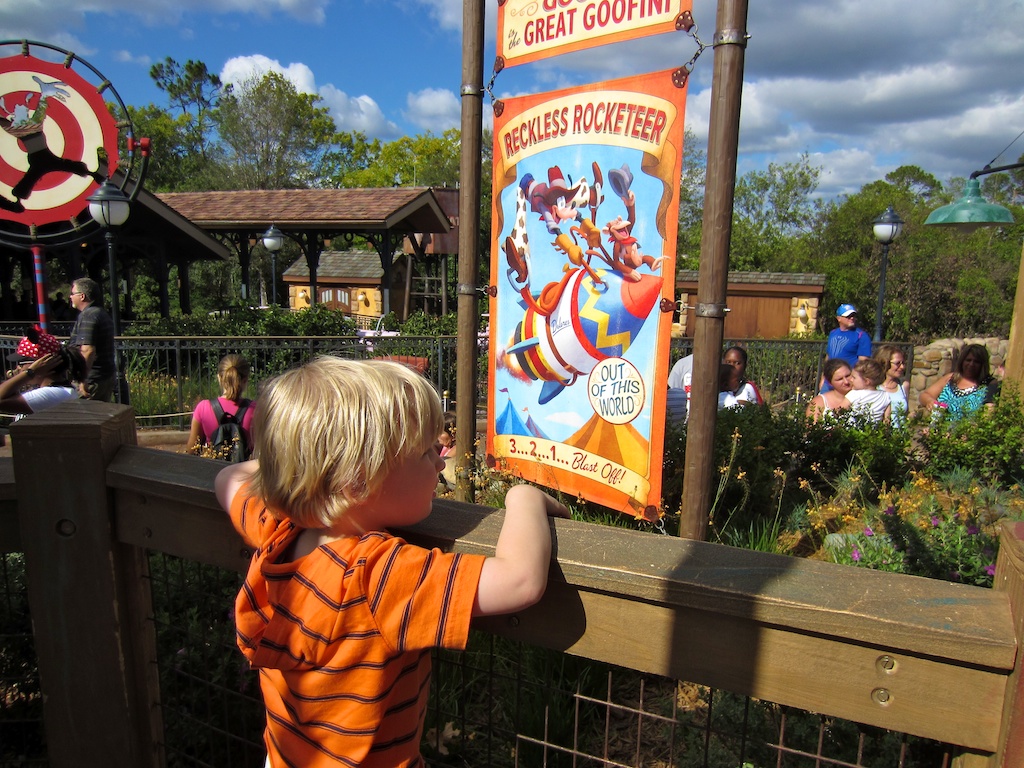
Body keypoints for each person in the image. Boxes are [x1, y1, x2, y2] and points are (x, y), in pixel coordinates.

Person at [214, 357, 568, 767]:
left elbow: (228, 479)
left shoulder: (278, 531)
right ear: (358, 481)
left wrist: (298, 459)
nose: (440, 461)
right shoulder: (375, 575)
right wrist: (523, 498)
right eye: (425, 452)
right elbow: (520, 580)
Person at [0, 327, 85, 417]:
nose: (18, 368)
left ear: (42, 363)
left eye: (21, 363)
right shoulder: (57, 391)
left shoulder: (53, 393)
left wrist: (30, 372)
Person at [187, 354, 255, 457]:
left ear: (219, 378)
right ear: (245, 380)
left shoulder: (203, 408)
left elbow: (192, 450)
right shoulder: (255, 409)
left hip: (213, 465)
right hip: (244, 466)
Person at [919, 343, 999, 423]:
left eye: (976, 362)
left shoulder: (989, 384)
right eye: (968, 360)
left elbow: (988, 414)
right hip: (938, 428)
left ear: (983, 364)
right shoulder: (951, 378)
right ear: (962, 361)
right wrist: (930, 401)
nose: (971, 364)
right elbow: (925, 395)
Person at [67, 277, 116, 401]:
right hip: (104, 376)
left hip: (92, 380)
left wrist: (82, 378)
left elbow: (88, 350)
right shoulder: (101, 313)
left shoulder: (88, 315)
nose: (70, 297)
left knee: (83, 413)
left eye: (73, 293)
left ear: (82, 296)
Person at [820, 304, 872, 392]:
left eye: (853, 316)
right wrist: (823, 378)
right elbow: (828, 357)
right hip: (829, 381)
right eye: (848, 316)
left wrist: (856, 382)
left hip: (847, 382)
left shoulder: (861, 336)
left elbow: (863, 363)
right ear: (839, 318)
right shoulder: (833, 333)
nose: (852, 318)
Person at [845, 358, 891, 424]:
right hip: (874, 430)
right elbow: (887, 420)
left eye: (854, 377)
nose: (851, 380)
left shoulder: (854, 394)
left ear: (866, 381)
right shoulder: (885, 396)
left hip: (852, 430)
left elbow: (839, 411)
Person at [875, 345, 910, 426]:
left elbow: (906, 413)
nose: (902, 367)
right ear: (884, 363)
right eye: (897, 363)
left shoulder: (903, 385)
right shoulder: (874, 387)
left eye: (903, 363)